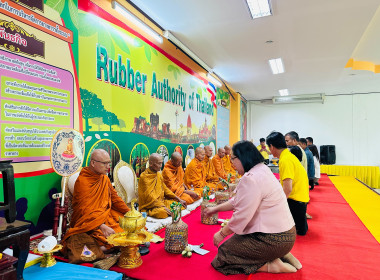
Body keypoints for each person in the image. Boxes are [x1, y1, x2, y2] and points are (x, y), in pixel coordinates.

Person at [204, 141, 301, 275]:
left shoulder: (251, 179)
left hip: (274, 239)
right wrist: (215, 209)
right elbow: (239, 200)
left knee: (224, 255)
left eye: (233, 158)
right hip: (287, 234)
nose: (231, 163)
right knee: (241, 235)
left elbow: (242, 216)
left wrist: (221, 234)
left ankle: (271, 265)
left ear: (243, 157)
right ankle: (282, 254)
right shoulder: (262, 169)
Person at [63, 149, 130, 252]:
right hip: (88, 221)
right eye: (104, 163)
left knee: (129, 227)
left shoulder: (104, 178)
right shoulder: (83, 182)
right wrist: (101, 225)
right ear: (93, 163)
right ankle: (103, 247)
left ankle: (107, 247)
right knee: (111, 236)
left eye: (109, 163)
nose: (108, 167)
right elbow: (84, 210)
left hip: (105, 215)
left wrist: (130, 213)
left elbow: (115, 199)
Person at [267, 132, 310, 235]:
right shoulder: (288, 156)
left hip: (295, 202)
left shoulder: (285, 160)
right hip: (300, 200)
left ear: (272, 146)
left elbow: (288, 189)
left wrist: (278, 204)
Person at [138, 153, 187, 218]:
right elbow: (149, 197)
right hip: (150, 205)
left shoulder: (158, 175)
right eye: (159, 163)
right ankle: (148, 212)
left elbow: (165, 189)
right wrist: (163, 207)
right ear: (151, 163)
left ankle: (166, 210)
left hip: (160, 202)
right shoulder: (144, 177)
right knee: (162, 213)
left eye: (161, 163)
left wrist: (178, 199)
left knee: (178, 206)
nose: (161, 166)